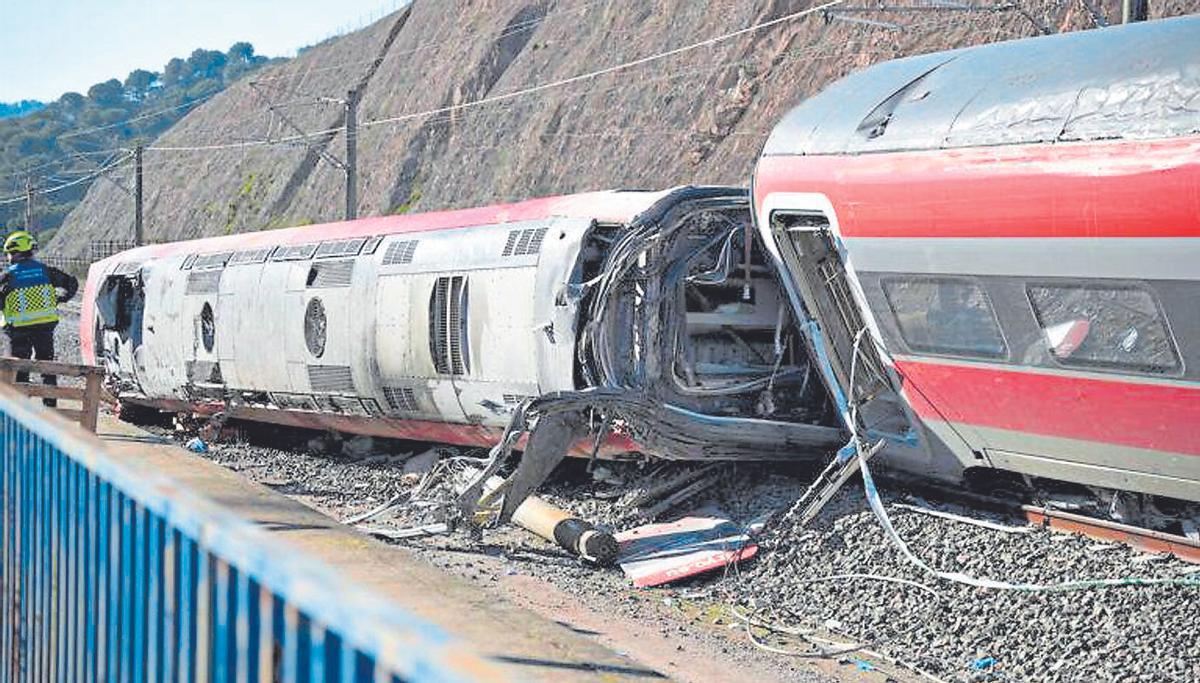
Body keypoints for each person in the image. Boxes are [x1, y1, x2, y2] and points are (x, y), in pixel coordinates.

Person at [0, 230, 78, 406]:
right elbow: (71, 282)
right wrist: (62, 298)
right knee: (47, 367)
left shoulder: (8, 276)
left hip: (17, 330)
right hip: (44, 328)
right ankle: (50, 409)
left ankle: (23, 411)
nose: (9, 257)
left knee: (20, 370)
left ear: (15, 252)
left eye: (10, 253)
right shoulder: (45, 271)